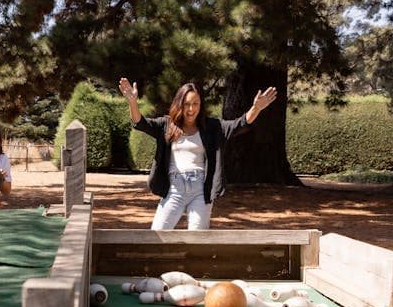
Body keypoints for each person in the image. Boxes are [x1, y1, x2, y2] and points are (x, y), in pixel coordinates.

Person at [118, 78, 278, 230]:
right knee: (157, 233)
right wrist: (132, 102)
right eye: (187, 104)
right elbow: (140, 123)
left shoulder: (213, 127)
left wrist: (256, 108)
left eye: (195, 104)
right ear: (179, 104)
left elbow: (240, 124)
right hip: (174, 188)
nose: (191, 109)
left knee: (197, 239)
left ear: (200, 105)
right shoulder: (167, 125)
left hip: (201, 189)